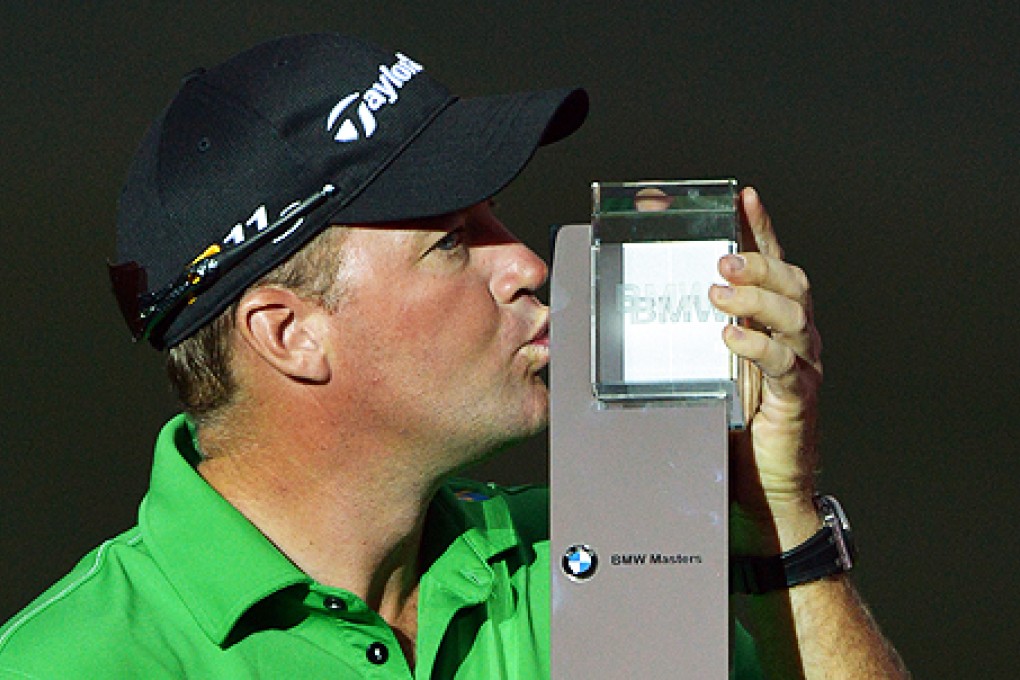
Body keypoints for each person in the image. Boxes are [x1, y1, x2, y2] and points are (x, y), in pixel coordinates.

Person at [0, 33, 908, 678]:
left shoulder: (606, 552)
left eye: (496, 221)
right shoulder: (75, 660)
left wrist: (774, 517)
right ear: (290, 334)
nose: (525, 264)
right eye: (451, 239)